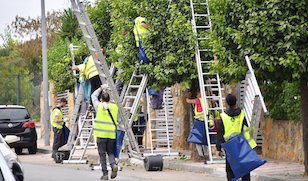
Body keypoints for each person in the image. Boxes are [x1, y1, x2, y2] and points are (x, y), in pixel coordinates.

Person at [216, 94, 257, 181]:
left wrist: (218, 148)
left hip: (230, 146)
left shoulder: (223, 116)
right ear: (236, 102)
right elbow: (246, 129)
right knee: (245, 167)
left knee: (230, 169)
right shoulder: (241, 114)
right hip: (241, 144)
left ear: (226, 103)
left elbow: (220, 133)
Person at [91, 86, 118, 180]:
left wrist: (100, 88)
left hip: (101, 135)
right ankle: (113, 164)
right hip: (111, 134)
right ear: (109, 98)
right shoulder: (115, 107)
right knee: (110, 152)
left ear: (101, 99)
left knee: (102, 154)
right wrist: (109, 90)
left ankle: (105, 174)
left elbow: (93, 96)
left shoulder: (99, 106)